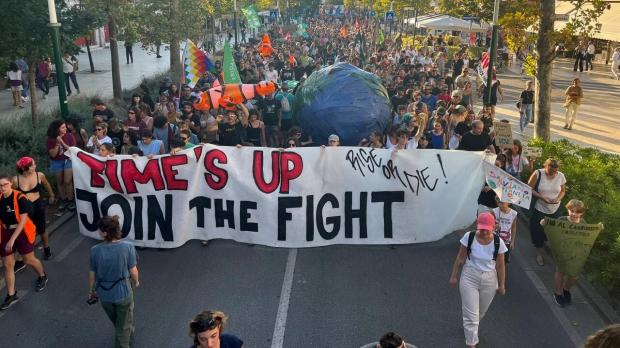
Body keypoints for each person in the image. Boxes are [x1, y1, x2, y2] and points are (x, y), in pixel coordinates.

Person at [449, 212, 507, 348]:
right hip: (470, 275)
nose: (484, 232)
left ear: (493, 227)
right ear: (477, 226)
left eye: (487, 230)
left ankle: (469, 327)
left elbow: (500, 265)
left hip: (490, 279)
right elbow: (460, 258)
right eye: (481, 229)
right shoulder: (468, 237)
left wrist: (502, 285)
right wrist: (453, 276)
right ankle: (471, 343)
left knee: (480, 312)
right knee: (472, 315)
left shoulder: (499, 242)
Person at [88, 215, 139, 348]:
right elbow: (133, 271)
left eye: (99, 230)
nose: (98, 232)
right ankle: (125, 342)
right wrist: (136, 282)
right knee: (123, 326)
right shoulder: (128, 247)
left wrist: (91, 291)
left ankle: (128, 337)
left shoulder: (95, 250)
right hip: (123, 292)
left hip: (104, 294)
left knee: (119, 322)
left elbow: (92, 274)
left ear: (105, 233)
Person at [0, 174, 49, 311]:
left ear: (11, 183)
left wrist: (12, 239)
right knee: (8, 264)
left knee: (28, 260)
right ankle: (12, 294)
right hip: (5, 232)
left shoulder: (19, 197)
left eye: (5, 184)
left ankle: (42, 276)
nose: (2, 188)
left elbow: (22, 221)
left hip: (21, 232)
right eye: (0, 186)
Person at [540, 199, 589, 307]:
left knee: (574, 276)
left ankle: (565, 289)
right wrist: (545, 223)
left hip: (575, 254)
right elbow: (553, 229)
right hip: (562, 252)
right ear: (568, 210)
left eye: (577, 212)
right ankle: (557, 293)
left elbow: (587, 236)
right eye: (572, 211)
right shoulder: (562, 220)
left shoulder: (583, 223)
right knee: (560, 272)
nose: (574, 214)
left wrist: (598, 229)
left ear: (582, 213)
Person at [13, 157, 56, 260]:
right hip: (24, 208)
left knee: (42, 229)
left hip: (38, 205)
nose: (35, 166)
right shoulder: (16, 180)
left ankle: (46, 249)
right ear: (24, 169)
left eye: (34, 164)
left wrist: (52, 195)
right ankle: (24, 254)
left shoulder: (39, 175)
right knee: (25, 231)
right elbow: (13, 195)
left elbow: (46, 184)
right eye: (32, 165)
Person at [527, 158, 566, 266]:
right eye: (550, 171)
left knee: (553, 232)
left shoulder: (561, 175)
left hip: (555, 209)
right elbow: (528, 188)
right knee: (537, 231)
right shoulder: (538, 173)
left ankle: (551, 250)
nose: (553, 174)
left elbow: (563, 191)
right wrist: (541, 197)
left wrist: (558, 199)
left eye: (555, 171)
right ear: (545, 166)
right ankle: (540, 253)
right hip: (540, 208)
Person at [46, 120, 76, 211]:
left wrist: (62, 142)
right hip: (57, 161)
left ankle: (71, 200)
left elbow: (72, 150)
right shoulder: (50, 139)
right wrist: (57, 143)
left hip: (68, 160)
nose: (65, 128)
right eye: (63, 127)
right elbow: (53, 154)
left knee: (67, 181)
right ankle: (64, 199)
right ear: (57, 129)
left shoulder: (70, 136)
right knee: (60, 181)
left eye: (65, 126)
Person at [493, 199, 517, 263]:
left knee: (504, 260)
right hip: (495, 239)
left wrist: (512, 241)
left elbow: (513, 227)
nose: (500, 205)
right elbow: (490, 225)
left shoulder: (513, 214)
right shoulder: (494, 211)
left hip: (506, 241)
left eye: (502, 203)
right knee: (494, 258)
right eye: (499, 202)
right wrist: (495, 226)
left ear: (509, 203)